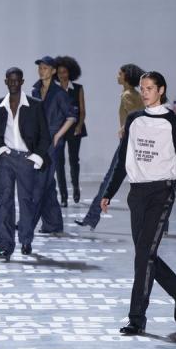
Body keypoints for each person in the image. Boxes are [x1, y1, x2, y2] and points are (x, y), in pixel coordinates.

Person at [100, 71, 176, 335]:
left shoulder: (175, 124)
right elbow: (122, 159)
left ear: (161, 90)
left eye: (150, 88)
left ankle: (136, 318)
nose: (145, 92)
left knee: (143, 256)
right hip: (137, 194)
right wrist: (109, 191)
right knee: (145, 255)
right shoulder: (134, 119)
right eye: (142, 88)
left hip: (161, 194)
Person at [75, 63, 145, 230]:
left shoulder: (127, 95)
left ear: (126, 77)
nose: (117, 76)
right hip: (136, 142)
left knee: (110, 180)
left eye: (119, 73)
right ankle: (91, 218)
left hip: (128, 143)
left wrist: (124, 128)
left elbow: (135, 116)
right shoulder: (135, 94)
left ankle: (91, 218)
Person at [0, 67, 50, 260]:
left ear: (22, 82)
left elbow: (44, 136)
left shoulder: (35, 105)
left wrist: (36, 157)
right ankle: (5, 245)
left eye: (17, 80)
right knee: (4, 203)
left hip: (26, 159)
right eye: (11, 80)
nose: (14, 83)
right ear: (6, 81)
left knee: (26, 202)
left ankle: (26, 240)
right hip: (7, 159)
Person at [31, 56, 76, 234]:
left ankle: (28, 223)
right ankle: (53, 223)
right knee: (47, 184)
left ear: (53, 71)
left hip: (52, 142)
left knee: (41, 182)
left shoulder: (59, 94)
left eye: (45, 68)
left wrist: (57, 135)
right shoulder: (35, 91)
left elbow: (72, 117)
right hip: (37, 141)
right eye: (40, 68)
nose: (41, 71)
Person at [53, 56, 86, 207]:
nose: (62, 75)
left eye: (64, 72)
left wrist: (79, 125)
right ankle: (64, 196)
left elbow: (82, 109)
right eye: (59, 72)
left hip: (74, 128)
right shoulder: (54, 90)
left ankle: (76, 188)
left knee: (74, 160)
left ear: (70, 72)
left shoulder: (78, 88)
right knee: (59, 162)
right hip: (59, 129)